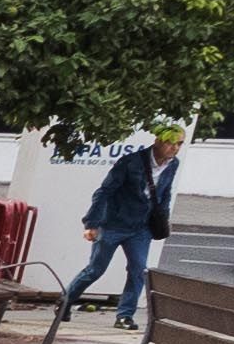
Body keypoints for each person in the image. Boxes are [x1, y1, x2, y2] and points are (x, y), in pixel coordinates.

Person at [65, 127, 185, 330]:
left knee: (139, 270)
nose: (174, 148)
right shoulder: (130, 162)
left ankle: (125, 315)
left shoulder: (173, 164)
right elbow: (103, 192)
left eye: (179, 143)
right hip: (114, 224)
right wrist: (92, 223)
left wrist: (162, 220)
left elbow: (165, 192)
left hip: (141, 227)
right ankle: (65, 301)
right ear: (157, 141)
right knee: (96, 269)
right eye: (170, 142)